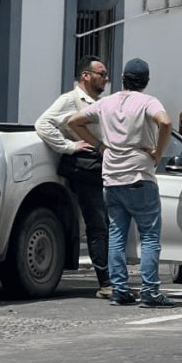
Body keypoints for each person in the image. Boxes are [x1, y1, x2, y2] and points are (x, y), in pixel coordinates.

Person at [68, 58, 174, 308]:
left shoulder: (106, 102)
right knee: (148, 236)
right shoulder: (148, 101)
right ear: (146, 82)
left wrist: (100, 146)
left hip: (111, 178)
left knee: (116, 235)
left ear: (123, 79)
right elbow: (166, 122)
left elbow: (73, 122)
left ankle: (119, 290)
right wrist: (158, 153)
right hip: (139, 176)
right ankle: (150, 292)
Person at [34, 56, 112, 299]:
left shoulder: (97, 101)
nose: (106, 78)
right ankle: (106, 282)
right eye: (101, 73)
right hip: (86, 171)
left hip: (102, 169)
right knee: (98, 225)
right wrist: (68, 146)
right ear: (86, 76)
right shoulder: (70, 100)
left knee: (106, 226)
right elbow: (43, 124)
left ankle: (111, 278)